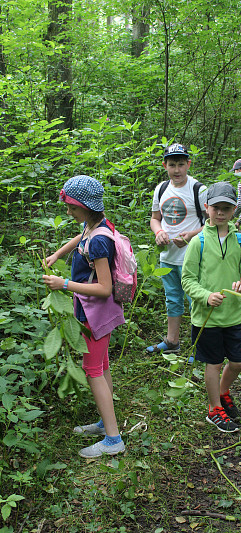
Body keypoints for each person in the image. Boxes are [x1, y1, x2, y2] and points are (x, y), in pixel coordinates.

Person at [43, 175, 125, 458]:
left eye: (72, 208)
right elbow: (81, 236)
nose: (69, 212)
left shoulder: (100, 241)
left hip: (97, 314)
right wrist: (57, 254)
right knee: (101, 365)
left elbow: (104, 288)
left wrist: (63, 284)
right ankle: (106, 423)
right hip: (94, 312)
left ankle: (113, 440)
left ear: (86, 207)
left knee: (92, 371)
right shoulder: (95, 225)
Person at [181, 182, 241, 432]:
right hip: (207, 318)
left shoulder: (240, 240)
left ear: (234, 211)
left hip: (234, 316)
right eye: (216, 208)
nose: (221, 213)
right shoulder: (198, 242)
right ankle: (214, 407)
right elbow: (187, 279)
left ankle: (224, 391)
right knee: (213, 363)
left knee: (238, 362)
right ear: (207, 208)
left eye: (226, 208)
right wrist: (205, 296)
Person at [146, 143, 207, 355]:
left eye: (181, 164)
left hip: (193, 257)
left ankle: (201, 348)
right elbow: (155, 219)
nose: (177, 170)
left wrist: (191, 236)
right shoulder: (161, 189)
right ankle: (173, 341)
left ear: (188, 164)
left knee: (196, 302)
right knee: (172, 298)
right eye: (172, 165)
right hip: (168, 257)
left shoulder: (199, 190)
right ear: (165, 165)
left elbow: (215, 223)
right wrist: (158, 232)